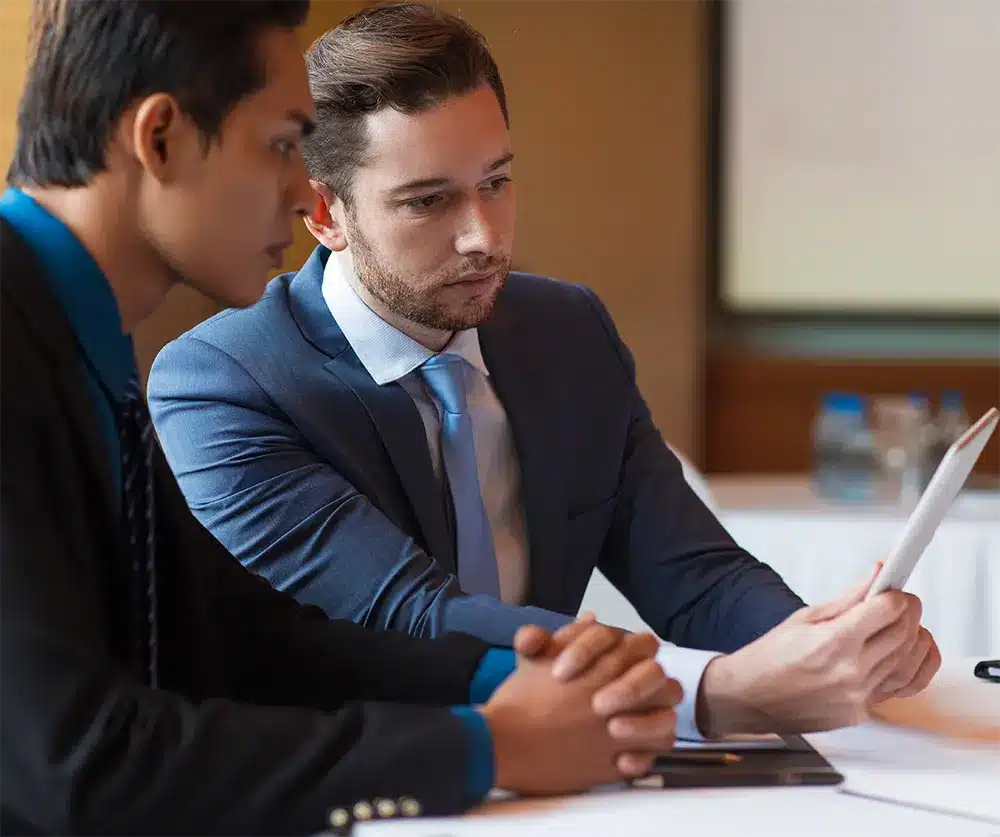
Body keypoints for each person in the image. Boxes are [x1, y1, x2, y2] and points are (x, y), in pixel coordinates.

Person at [147, 2, 940, 744]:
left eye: (496, 181)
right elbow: (417, 618)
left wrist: (823, 646)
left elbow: (694, 576)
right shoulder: (224, 384)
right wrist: (717, 689)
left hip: (570, 770)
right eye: (428, 202)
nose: (483, 237)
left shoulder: (568, 331)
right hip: (372, 784)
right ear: (325, 214)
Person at [0, 2, 685, 835]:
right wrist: (485, 747)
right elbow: (81, 764)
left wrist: (504, 678)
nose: (304, 197)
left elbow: (244, 637)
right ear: (163, 138)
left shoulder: (64, 331)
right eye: (285, 145)